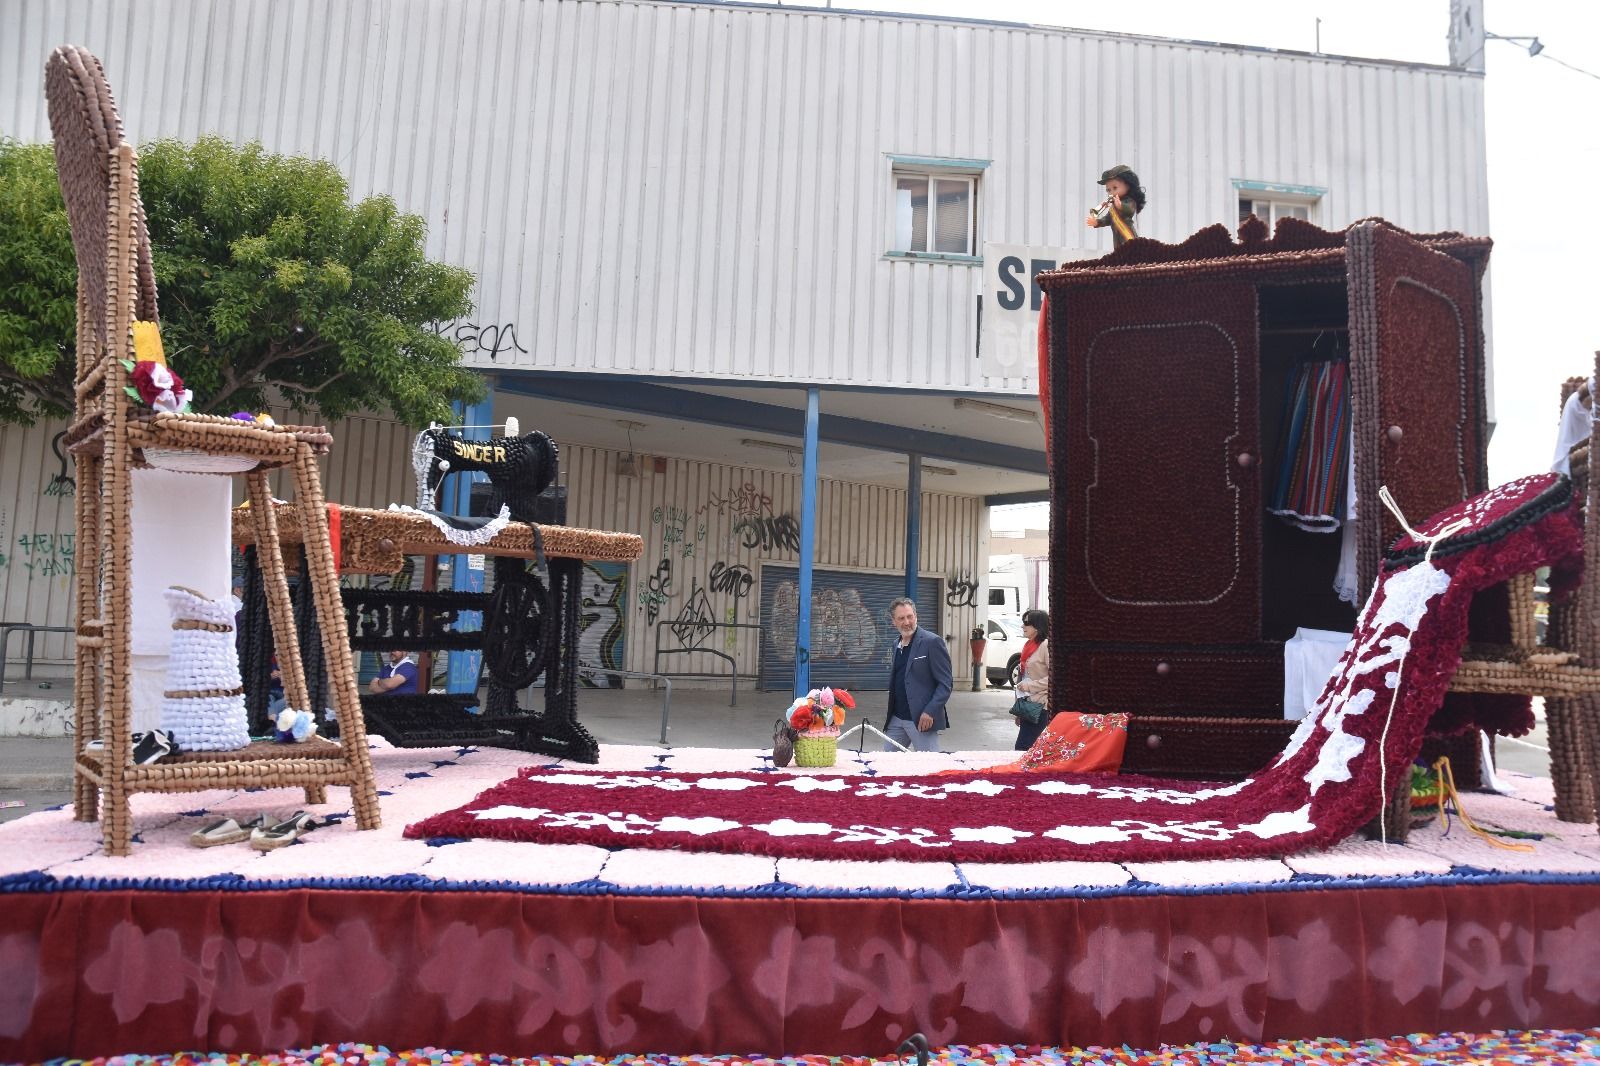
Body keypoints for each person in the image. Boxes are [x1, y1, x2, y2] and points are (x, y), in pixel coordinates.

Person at [882, 598, 953, 752]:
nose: (907, 622)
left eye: (910, 616)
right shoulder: (896, 644)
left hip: (921, 720)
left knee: (930, 768)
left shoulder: (932, 642)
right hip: (897, 718)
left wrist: (930, 711)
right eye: (901, 618)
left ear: (916, 616)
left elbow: (945, 683)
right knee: (885, 764)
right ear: (894, 621)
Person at [1011, 609, 1052, 750]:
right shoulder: (1028, 646)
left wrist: (1030, 686)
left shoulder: (1045, 645)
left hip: (1040, 705)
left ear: (1037, 625)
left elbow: (1054, 677)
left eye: (1026, 623)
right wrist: (1018, 711)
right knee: (1026, 749)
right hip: (1026, 705)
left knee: (1023, 749)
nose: (1023, 626)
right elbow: (1022, 677)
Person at [1085, 164, 1146, 248]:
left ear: (1128, 185)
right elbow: (1108, 219)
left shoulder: (1129, 201)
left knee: (1131, 253)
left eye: (1115, 188)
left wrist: (1120, 206)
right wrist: (1097, 222)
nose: (1111, 193)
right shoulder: (1113, 206)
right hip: (1117, 239)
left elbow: (1130, 210)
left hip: (1128, 235)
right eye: (1108, 190)